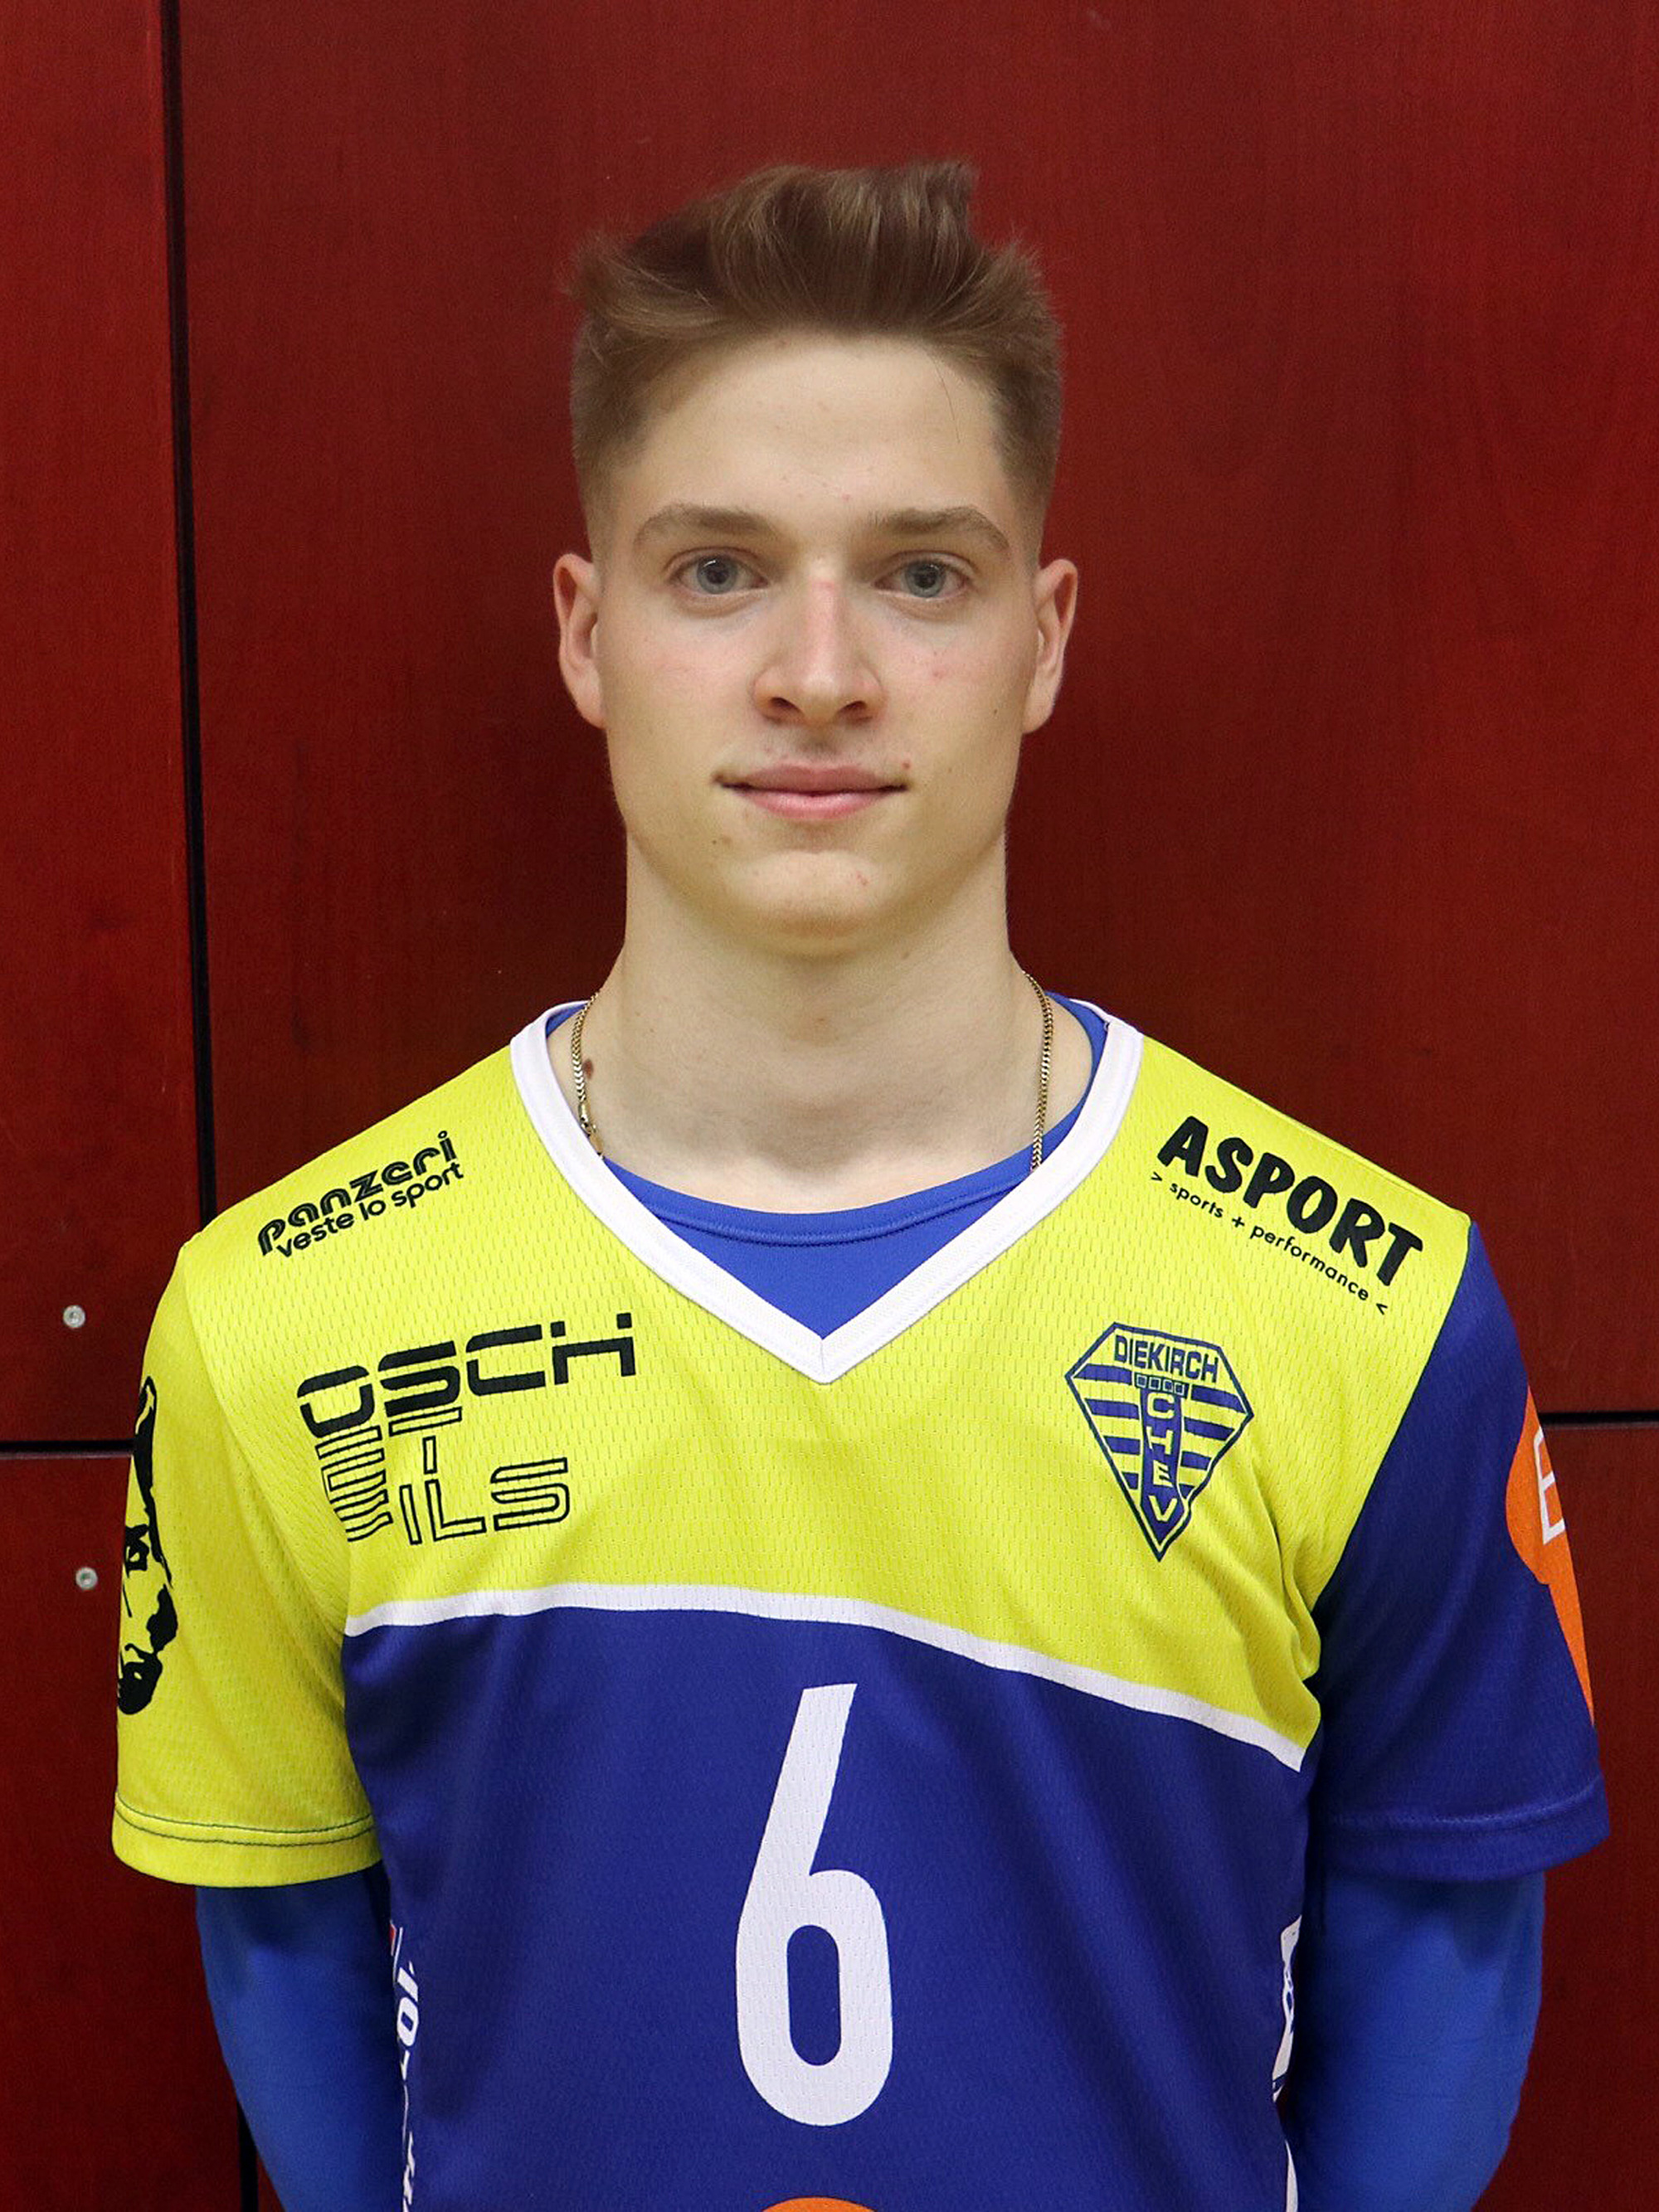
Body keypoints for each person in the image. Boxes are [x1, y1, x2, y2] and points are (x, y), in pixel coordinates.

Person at [113, 160, 1606, 2211]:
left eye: (919, 573)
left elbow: (1445, 1939)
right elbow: (281, 1935)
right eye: (719, 569)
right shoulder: (280, 1317)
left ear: (1040, 637)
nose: (819, 672)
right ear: (588, 632)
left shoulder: (1371, 1309)